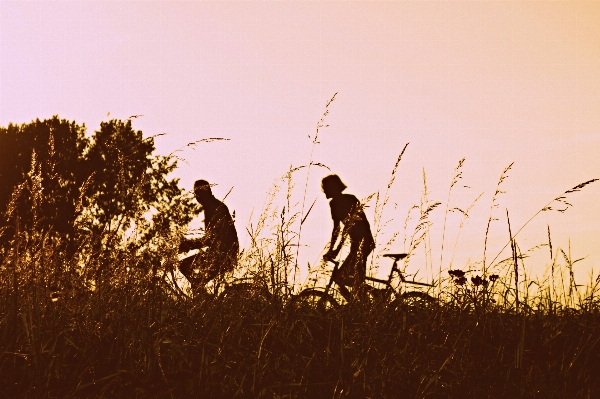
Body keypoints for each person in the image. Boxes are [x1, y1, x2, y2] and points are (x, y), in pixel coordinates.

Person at [178, 180, 239, 292]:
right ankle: (201, 293)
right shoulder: (214, 206)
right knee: (199, 279)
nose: (197, 198)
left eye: (197, 194)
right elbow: (211, 238)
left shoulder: (214, 208)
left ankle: (201, 296)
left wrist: (189, 245)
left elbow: (211, 239)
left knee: (183, 265)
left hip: (223, 254)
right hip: (224, 252)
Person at [321, 174, 375, 298]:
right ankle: (363, 304)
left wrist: (336, 250)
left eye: (325, 188)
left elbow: (348, 227)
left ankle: (365, 304)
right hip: (356, 244)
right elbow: (337, 229)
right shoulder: (333, 204)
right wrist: (331, 250)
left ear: (332, 188)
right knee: (353, 279)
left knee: (341, 278)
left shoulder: (350, 199)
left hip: (364, 243)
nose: (324, 191)